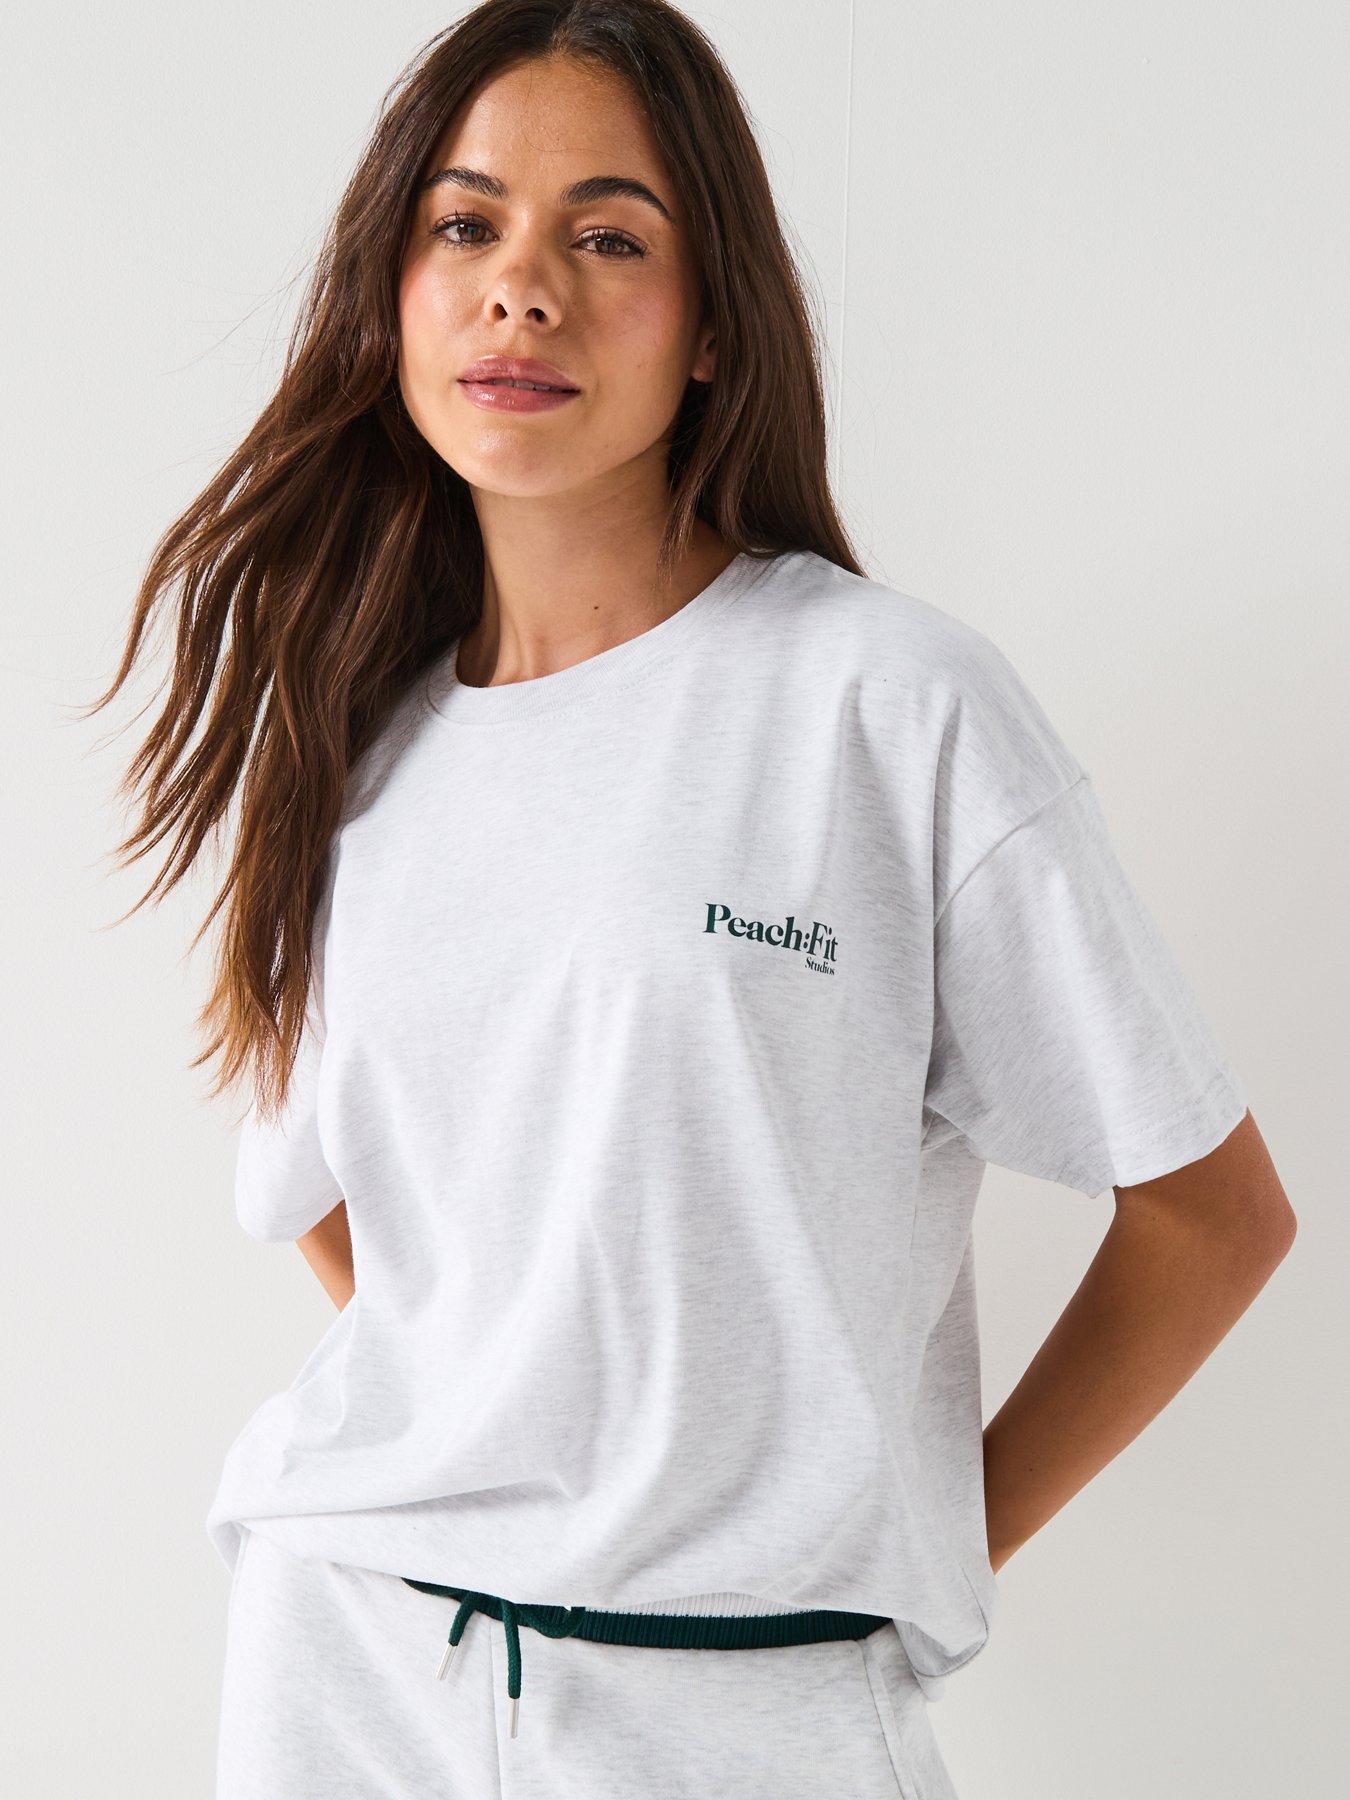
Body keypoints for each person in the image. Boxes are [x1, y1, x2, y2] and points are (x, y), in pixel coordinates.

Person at [95, 4, 1296, 1795]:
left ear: (715, 321)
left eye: (607, 237)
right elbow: (340, 1204)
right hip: (349, 1670)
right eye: (464, 224)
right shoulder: (354, 748)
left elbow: (1208, 1214)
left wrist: (909, 1540)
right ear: (390, 295)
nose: (521, 289)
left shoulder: (882, 705)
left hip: (751, 1699)